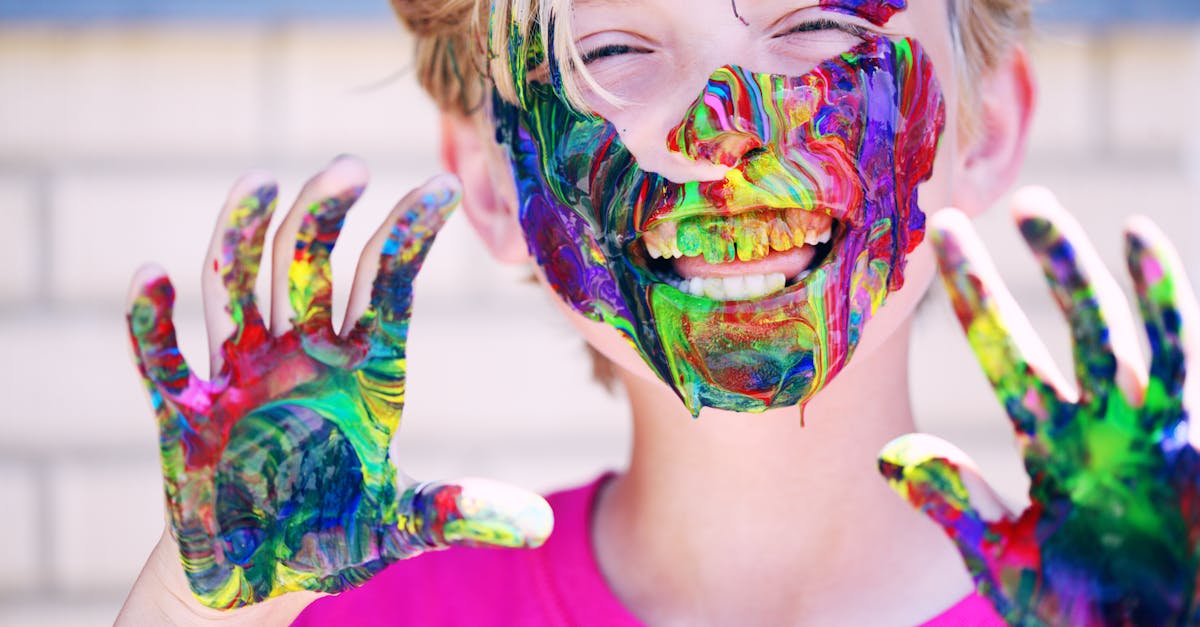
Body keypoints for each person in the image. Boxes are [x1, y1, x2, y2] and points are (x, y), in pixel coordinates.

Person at [116, 0, 1200, 625]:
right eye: (613, 52)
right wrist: (197, 614)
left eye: (818, 23)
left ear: (987, 125)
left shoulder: (1130, 604)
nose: (725, 128)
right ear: (493, 182)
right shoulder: (351, 612)